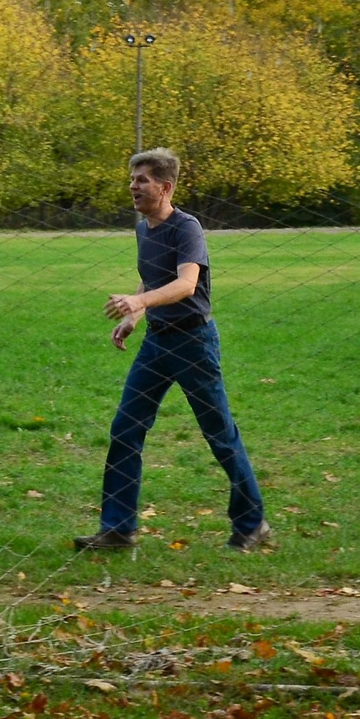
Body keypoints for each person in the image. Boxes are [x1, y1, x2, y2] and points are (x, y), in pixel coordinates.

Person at [76, 149, 271, 554]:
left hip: (193, 343)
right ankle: (118, 529)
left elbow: (186, 284)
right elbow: (153, 280)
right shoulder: (143, 228)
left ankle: (253, 524)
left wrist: (139, 302)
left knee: (220, 435)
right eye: (132, 178)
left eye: (142, 179)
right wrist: (135, 315)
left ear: (165, 187)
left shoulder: (188, 228)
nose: (133, 185)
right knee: (126, 429)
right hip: (157, 343)